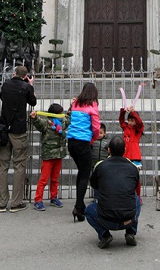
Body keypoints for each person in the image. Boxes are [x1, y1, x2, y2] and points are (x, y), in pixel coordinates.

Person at [85, 135, 141, 249]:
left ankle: (104, 234)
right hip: (128, 219)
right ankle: (130, 231)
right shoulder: (133, 167)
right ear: (125, 150)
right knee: (135, 198)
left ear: (109, 150)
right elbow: (134, 186)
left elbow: (94, 185)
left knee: (89, 210)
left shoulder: (100, 166)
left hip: (106, 220)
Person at [0, 65, 37, 212]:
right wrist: (30, 85)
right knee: (19, 166)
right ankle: (16, 202)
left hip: (4, 129)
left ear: (14, 73)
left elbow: (2, 97)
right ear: (25, 76)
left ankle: (2, 202)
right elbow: (33, 102)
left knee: (3, 166)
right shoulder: (26, 87)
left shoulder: (6, 85)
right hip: (18, 130)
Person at [66, 82, 100, 221]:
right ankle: (78, 206)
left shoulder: (75, 104)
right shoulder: (92, 105)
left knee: (81, 171)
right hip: (82, 142)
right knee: (85, 174)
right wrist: (92, 140)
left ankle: (80, 206)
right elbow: (96, 127)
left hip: (71, 142)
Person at [30, 102, 71, 211]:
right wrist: (34, 118)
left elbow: (69, 117)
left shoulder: (62, 124)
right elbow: (38, 122)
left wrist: (72, 105)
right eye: (60, 113)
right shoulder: (46, 124)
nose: (62, 115)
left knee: (55, 178)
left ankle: (54, 197)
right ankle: (38, 200)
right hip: (48, 156)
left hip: (59, 155)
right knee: (43, 179)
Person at [119, 105, 144, 198]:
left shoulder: (138, 129)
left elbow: (140, 123)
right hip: (125, 155)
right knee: (124, 176)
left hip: (135, 156)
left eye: (132, 120)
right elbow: (121, 120)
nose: (130, 122)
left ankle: (137, 196)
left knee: (136, 178)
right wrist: (123, 111)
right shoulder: (125, 127)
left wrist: (133, 112)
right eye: (129, 120)